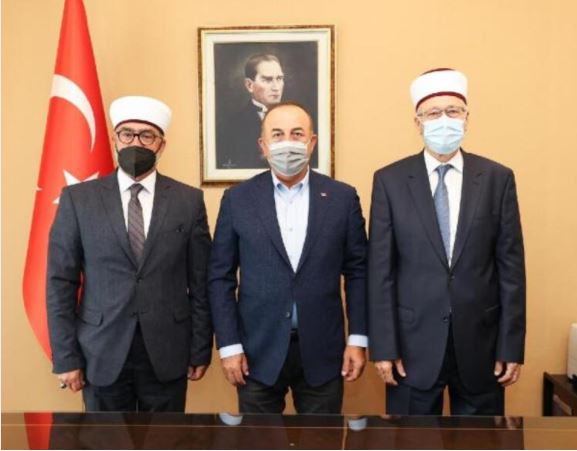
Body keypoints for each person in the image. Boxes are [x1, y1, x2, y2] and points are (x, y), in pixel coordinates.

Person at [368, 68, 526, 415]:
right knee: (412, 439)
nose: (444, 120)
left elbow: (511, 270)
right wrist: (384, 346)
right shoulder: (389, 181)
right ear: (418, 122)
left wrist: (511, 346)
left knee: (481, 440)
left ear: (467, 118)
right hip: (411, 347)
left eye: (453, 111)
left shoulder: (497, 179)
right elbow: (381, 273)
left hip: (482, 345)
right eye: (433, 113)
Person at [47, 95, 213, 412]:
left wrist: (200, 348)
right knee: (105, 438)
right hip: (100, 350)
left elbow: (201, 282)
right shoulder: (78, 200)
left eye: (146, 135)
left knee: (165, 438)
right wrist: (66, 356)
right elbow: (60, 282)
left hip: (168, 350)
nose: (135, 142)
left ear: (161, 145)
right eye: (127, 134)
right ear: (115, 139)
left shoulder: (188, 201)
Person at [209, 102, 368, 413]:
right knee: (258, 439)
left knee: (321, 438)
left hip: (324, 352)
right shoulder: (237, 199)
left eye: (297, 134)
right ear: (263, 145)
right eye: (278, 134)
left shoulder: (342, 198)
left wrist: (358, 338)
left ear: (312, 142)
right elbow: (219, 277)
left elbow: (358, 272)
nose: (288, 142)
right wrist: (228, 345)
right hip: (255, 353)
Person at [217, 54, 285, 169]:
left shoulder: (296, 120)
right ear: (249, 85)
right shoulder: (229, 127)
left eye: (279, 79)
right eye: (267, 80)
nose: (276, 87)